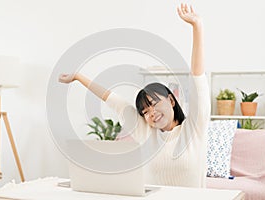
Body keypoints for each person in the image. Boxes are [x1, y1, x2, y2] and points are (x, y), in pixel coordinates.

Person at [59, 3, 210, 188]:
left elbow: (198, 79)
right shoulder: (146, 131)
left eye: (154, 104)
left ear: (171, 100)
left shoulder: (194, 128)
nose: (151, 113)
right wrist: (78, 77)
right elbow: (112, 99)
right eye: (145, 111)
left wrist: (197, 27)